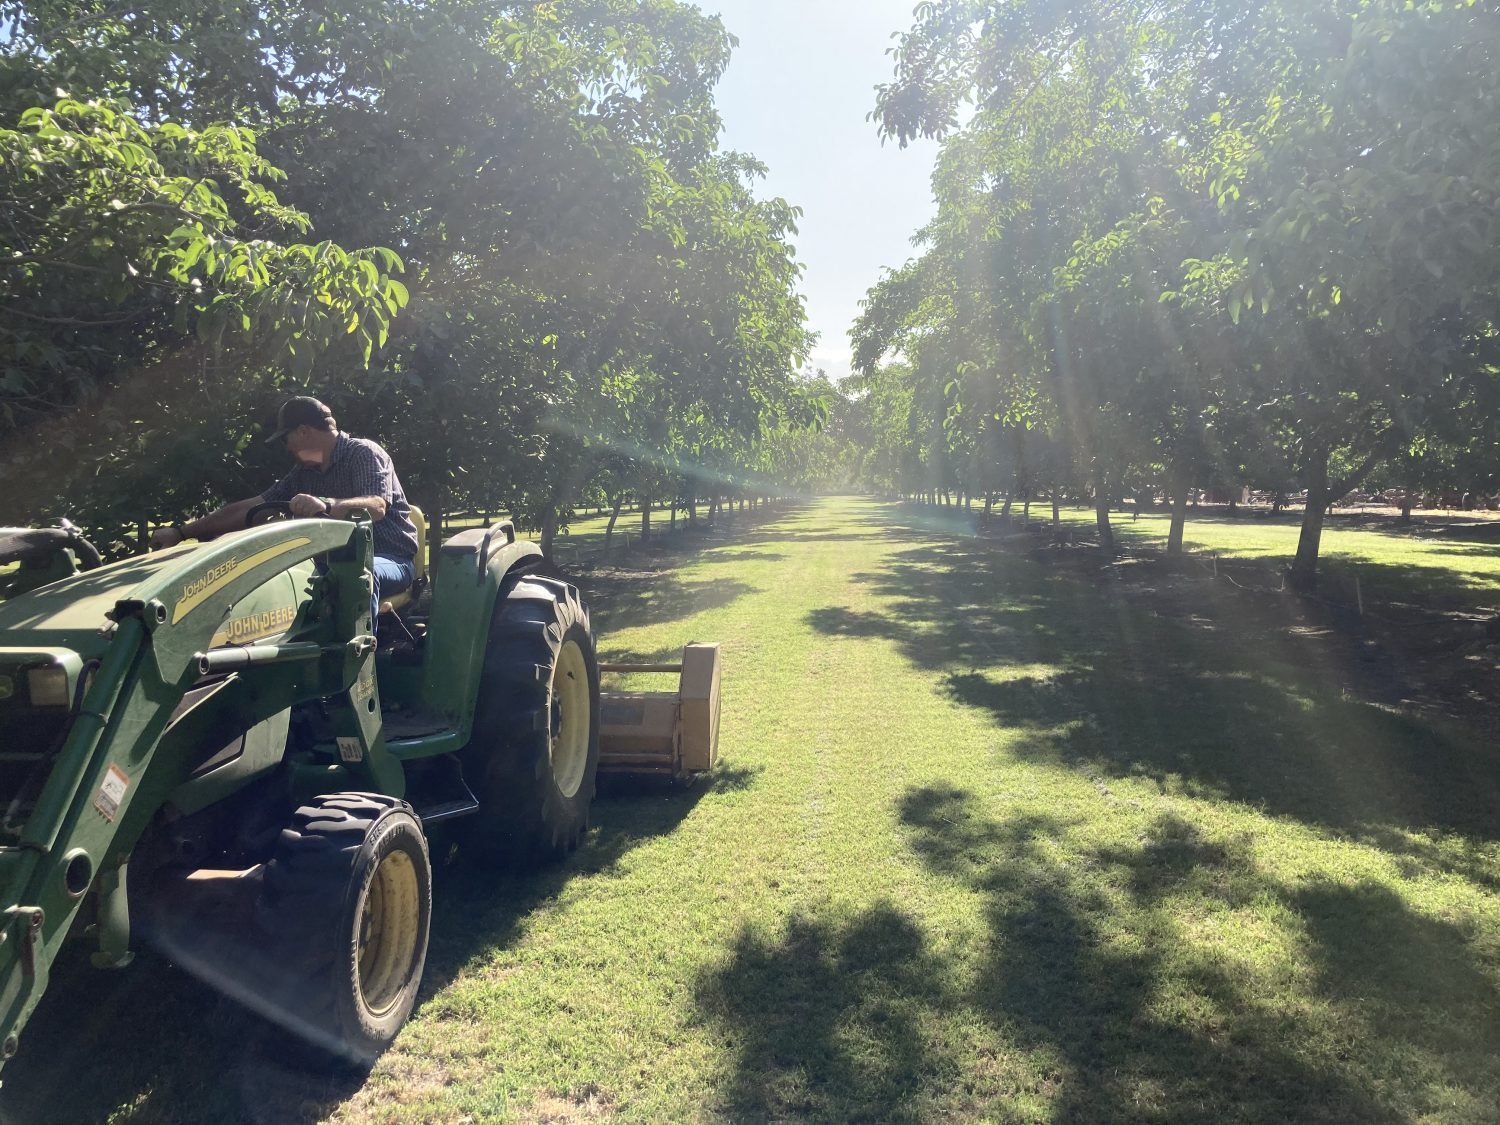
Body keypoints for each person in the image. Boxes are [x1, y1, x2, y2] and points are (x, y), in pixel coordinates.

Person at [151, 396, 420, 629]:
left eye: (286, 438)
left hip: (389, 559)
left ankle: (355, 672)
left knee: (356, 573)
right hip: (327, 565)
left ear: (303, 431)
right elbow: (252, 509)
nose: (287, 447)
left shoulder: (363, 454)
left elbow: (377, 506)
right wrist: (181, 532)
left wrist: (326, 504)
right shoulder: (304, 472)